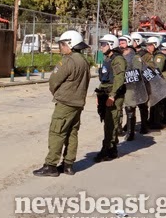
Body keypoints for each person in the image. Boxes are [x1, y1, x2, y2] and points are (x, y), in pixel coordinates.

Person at [33, 30, 90, 177]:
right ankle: (68, 165)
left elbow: (54, 81)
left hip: (65, 103)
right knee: (72, 133)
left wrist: (56, 93)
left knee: (57, 133)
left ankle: (50, 165)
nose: (61, 47)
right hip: (78, 103)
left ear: (71, 45)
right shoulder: (84, 61)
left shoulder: (68, 61)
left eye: (63, 44)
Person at [93, 34, 126, 163]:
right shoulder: (108, 58)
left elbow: (119, 79)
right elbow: (105, 79)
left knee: (111, 123)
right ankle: (112, 149)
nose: (101, 47)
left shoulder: (118, 60)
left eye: (104, 44)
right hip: (105, 93)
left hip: (114, 95)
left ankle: (106, 150)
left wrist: (112, 96)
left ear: (111, 45)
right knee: (108, 121)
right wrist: (100, 95)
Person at [118, 35, 148, 141]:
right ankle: (119, 129)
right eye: (120, 41)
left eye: (123, 42)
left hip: (131, 87)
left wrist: (125, 76)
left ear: (128, 43)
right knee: (118, 108)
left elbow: (137, 72)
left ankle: (130, 133)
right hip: (119, 86)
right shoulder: (119, 56)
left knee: (130, 108)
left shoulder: (135, 57)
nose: (120, 43)